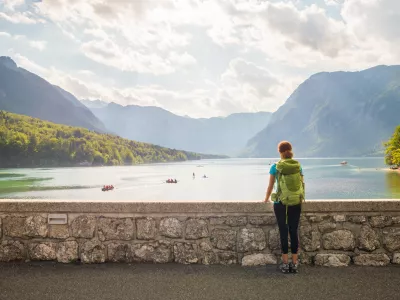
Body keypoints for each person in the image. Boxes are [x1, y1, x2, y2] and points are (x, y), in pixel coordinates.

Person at [264, 141, 304, 274]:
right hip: (295, 202)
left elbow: (270, 187)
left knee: (283, 231)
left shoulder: (275, 167)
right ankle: (295, 263)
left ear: (279, 152)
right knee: (293, 231)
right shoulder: (298, 166)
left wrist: (265, 199)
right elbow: (302, 185)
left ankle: (285, 264)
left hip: (280, 203)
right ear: (291, 150)